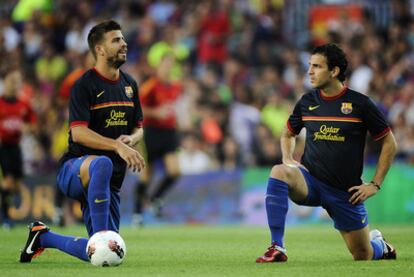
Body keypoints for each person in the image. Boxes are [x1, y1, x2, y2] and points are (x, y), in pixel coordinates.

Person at [256, 43, 398, 263]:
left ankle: (379, 243)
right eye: (310, 66)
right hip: (310, 181)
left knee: (363, 255)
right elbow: (287, 134)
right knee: (279, 171)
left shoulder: (361, 104)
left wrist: (375, 184)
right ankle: (277, 246)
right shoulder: (307, 101)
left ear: (334, 71)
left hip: (345, 192)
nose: (310, 71)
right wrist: (287, 157)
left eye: (317, 66)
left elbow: (389, 143)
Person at [19, 19, 145, 263]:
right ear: (99, 49)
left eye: (123, 39)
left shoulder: (130, 85)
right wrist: (117, 145)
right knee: (102, 164)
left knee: (102, 253)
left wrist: (131, 138)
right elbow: (78, 133)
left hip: (109, 184)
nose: (124, 43)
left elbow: (139, 128)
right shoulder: (84, 85)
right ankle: (96, 235)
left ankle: (42, 237)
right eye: (116, 40)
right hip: (76, 169)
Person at [134, 52, 182, 223]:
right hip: (152, 131)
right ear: (159, 66)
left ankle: (155, 198)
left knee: (175, 171)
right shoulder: (150, 86)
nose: (168, 67)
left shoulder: (176, 86)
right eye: (165, 64)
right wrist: (156, 112)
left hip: (169, 132)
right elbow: (137, 107)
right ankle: (137, 214)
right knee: (147, 174)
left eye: (171, 64)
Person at [0, 68, 37, 229]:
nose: (15, 84)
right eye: (12, 81)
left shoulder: (24, 104)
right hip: (3, 147)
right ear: (5, 82)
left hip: (16, 147)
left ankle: (5, 208)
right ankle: (6, 218)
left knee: (15, 185)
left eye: (18, 81)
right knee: (8, 181)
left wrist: (26, 128)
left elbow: (33, 125)